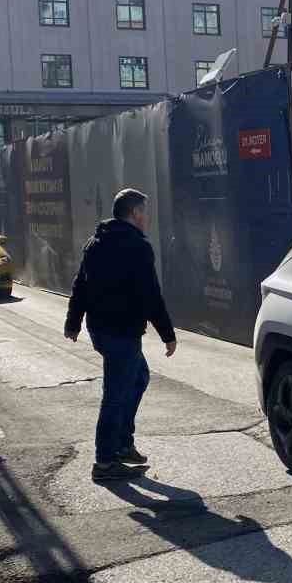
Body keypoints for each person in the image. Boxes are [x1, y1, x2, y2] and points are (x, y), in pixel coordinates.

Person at [64, 188, 176, 481]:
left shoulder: (96, 241)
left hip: (101, 328)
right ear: (135, 213)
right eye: (144, 212)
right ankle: (104, 462)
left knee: (139, 378)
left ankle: (123, 444)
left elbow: (80, 285)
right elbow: (150, 294)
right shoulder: (137, 246)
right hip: (121, 331)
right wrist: (167, 334)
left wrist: (74, 323)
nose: (147, 218)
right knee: (114, 395)